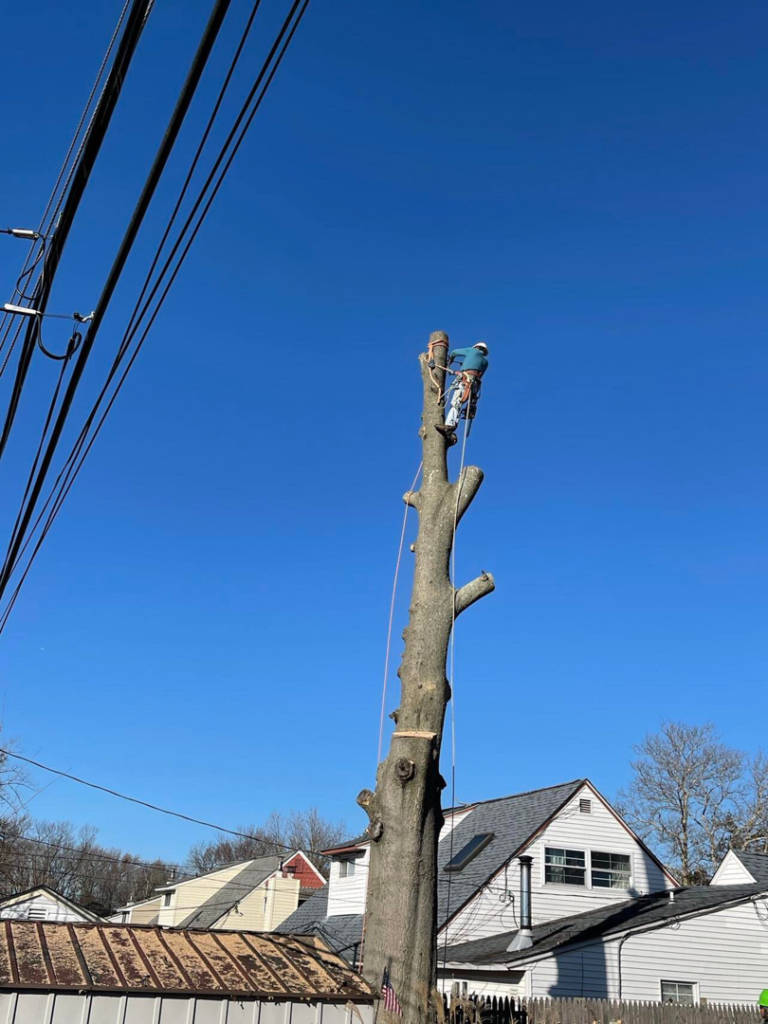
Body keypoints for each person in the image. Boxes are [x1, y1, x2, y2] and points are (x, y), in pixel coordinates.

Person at [435, 342, 489, 439]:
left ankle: (449, 425)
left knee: (456, 402)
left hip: (466, 380)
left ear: (476, 347)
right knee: (459, 403)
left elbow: (454, 352)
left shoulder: (472, 351)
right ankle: (452, 424)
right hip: (474, 385)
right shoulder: (485, 362)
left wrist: (450, 361)